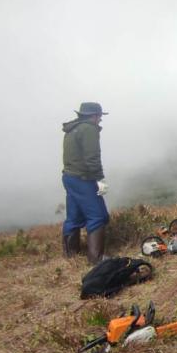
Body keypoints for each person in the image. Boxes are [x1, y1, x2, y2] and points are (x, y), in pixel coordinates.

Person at [62, 102, 110, 263]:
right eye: (100, 116)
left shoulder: (72, 129)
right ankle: (96, 258)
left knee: (74, 217)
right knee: (98, 216)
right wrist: (100, 179)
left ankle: (71, 255)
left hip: (69, 177)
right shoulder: (89, 129)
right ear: (94, 115)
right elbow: (92, 158)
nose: (100, 119)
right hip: (83, 179)